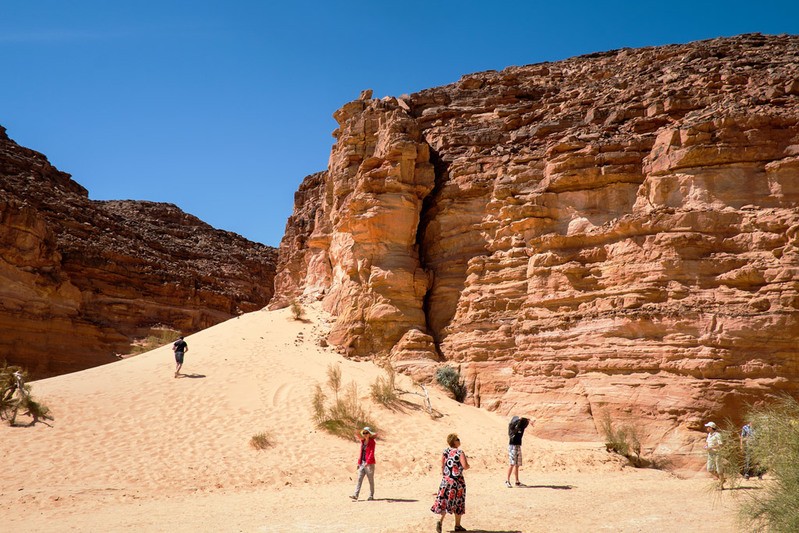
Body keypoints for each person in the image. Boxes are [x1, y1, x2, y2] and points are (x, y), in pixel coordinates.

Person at [431, 433, 470, 533]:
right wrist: (467, 466)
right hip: (457, 481)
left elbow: (442, 466)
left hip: (446, 480)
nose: (459, 440)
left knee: (445, 500)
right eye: (458, 439)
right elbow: (465, 466)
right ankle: (457, 525)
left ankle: (440, 521)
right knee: (458, 502)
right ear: (455, 441)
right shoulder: (460, 452)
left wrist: (445, 476)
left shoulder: (445, 451)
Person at [350, 427, 376, 501]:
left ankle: (371, 495)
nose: (365, 434)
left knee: (370, 480)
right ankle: (356, 495)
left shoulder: (372, 442)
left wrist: (368, 462)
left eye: (366, 433)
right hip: (362, 463)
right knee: (359, 479)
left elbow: (371, 452)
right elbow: (361, 453)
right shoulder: (362, 441)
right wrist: (359, 462)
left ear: (369, 434)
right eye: (364, 433)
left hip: (369, 463)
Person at [505, 416, 530, 487]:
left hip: (518, 446)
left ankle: (517, 482)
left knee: (517, 465)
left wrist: (528, 420)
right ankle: (507, 480)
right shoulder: (512, 427)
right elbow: (514, 427)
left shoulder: (521, 427)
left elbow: (525, 423)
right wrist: (520, 419)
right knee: (512, 464)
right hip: (512, 446)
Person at [704, 421, 725, 489]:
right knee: (709, 469)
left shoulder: (717, 435)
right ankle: (722, 479)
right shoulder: (709, 434)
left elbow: (720, 445)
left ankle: (721, 485)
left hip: (717, 453)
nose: (707, 428)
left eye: (708, 427)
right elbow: (707, 442)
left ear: (711, 428)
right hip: (710, 453)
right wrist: (706, 446)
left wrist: (711, 447)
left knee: (719, 469)